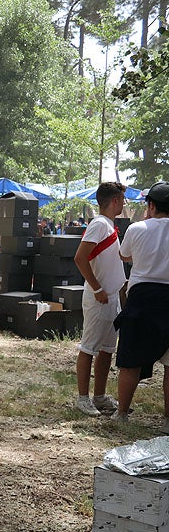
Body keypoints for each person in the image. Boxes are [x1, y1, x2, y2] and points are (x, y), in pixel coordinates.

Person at [114, 181, 169, 430]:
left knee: (130, 360)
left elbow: (124, 255)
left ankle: (122, 413)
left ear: (152, 205)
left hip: (142, 296)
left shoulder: (138, 228)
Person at [71, 182, 126, 417]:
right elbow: (80, 258)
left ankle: (100, 396)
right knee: (89, 347)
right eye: (122, 199)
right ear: (114, 201)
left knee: (106, 350)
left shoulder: (108, 226)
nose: (124, 204)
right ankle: (83, 398)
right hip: (99, 298)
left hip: (111, 298)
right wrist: (97, 288)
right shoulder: (99, 224)